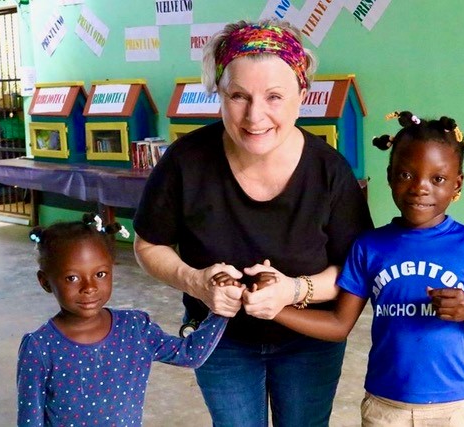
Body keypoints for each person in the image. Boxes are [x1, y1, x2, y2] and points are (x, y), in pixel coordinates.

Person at [132, 18, 374, 426]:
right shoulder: (186, 161)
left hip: (308, 340)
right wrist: (196, 282)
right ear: (219, 95)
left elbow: (356, 270)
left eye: (274, 96)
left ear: (302, 94)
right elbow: (147, 244)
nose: (254, 115)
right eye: (238, 96)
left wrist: (293, 290)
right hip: (219, 337)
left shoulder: (329, 171)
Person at [271, 111, 464, 426]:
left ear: (457, 184)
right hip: (385, 408)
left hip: (450, 409)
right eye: (407, 175)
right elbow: (339, 325)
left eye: (438, 179)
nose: (420, 188)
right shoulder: (369, 247)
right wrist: (274, 308)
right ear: (390, 175)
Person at [16, 214, 228, 426]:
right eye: (72, 278)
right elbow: (29, 421)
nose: (89, 287)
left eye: (100, 274)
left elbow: (190, 354)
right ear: (45, 282)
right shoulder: (39, 347)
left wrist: (223, 308)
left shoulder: (134, 328)